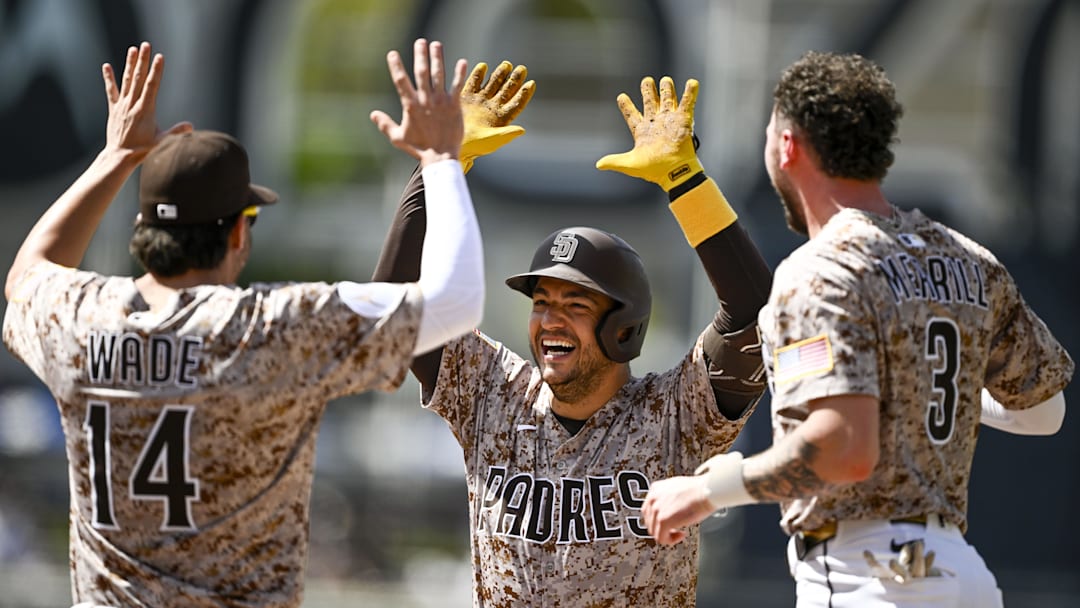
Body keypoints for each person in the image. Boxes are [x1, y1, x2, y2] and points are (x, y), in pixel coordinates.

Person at [2, 38, 482, 607]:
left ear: (142, 229)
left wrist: (115, 158)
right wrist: (442, 160)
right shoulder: (264, 330)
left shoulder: (82, 319)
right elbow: (457, 301)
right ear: (237, 233)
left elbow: (28, 273)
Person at [641, 50, 1074, 607]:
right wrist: (920, 396)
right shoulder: (969, 259)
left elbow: (843, 450)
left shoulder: (819, 270)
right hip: (964, 578)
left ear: (788, 144)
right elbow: (1044, 412)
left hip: (865, 577)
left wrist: (707, 490)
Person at [371, 67, 773, 606]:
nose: (550, 321)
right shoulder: (491, 393)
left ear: (624, 326)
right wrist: (442, 167)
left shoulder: (676, 413)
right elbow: (392, 310)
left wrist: (684, 179)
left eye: (576, 304)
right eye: (542, 303)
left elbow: (759, 314)